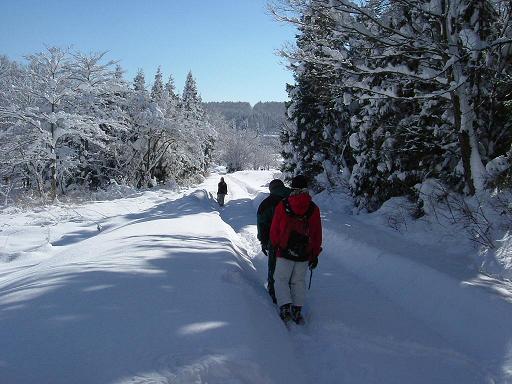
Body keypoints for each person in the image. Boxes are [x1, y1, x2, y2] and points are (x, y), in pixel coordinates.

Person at [270, 175, 322, 324]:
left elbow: (275, 228)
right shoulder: (313, 208)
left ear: (292, 188)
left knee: (281, 279)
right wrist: (314, 253)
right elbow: (316, 233)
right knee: (298, 281)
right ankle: (297, 309)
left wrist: (275, 244)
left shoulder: (283, 204)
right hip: (304, 253)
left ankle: (285, 307)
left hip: (284, 250)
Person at [257, 179, 291, 304]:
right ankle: (291, 292)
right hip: (296, 240)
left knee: (274, 266)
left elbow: (262, 224)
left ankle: (274, 291)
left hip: (275, 240)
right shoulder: (294, 198)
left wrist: (263, 241)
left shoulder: (267, 203)